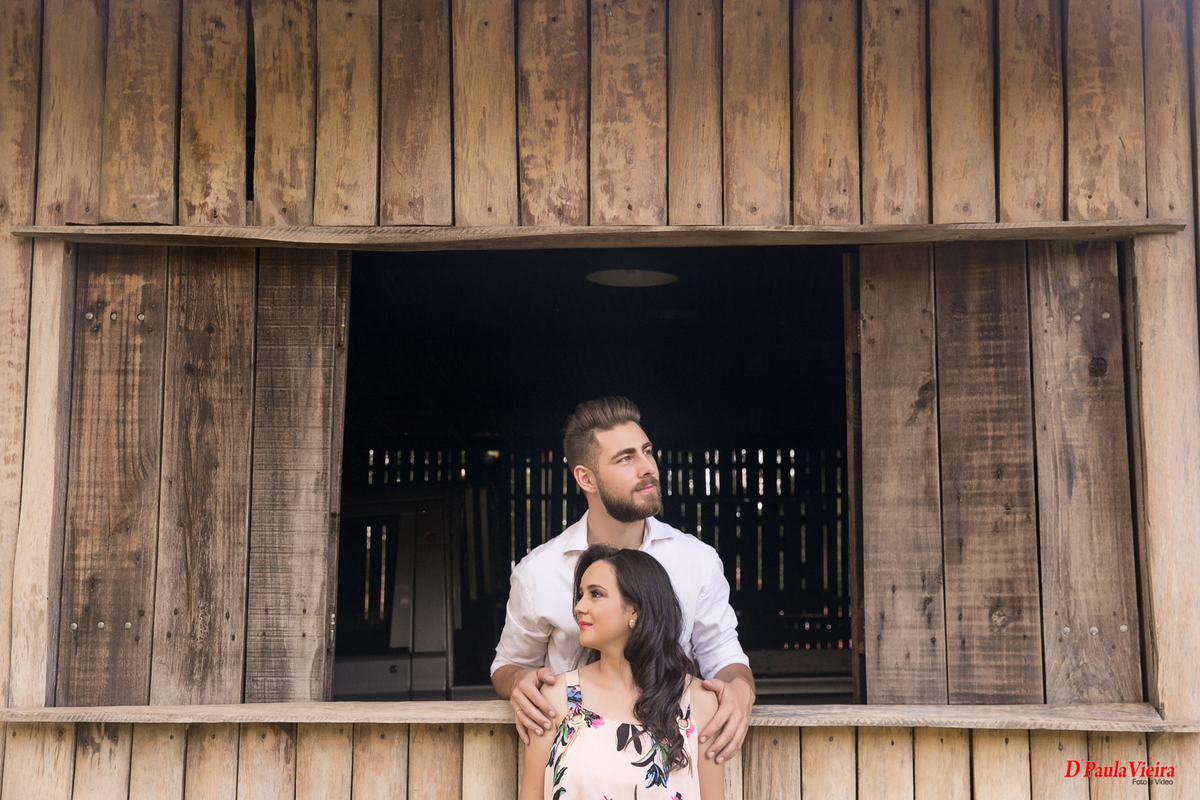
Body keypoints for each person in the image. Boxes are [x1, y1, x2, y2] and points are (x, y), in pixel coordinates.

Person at [492, 397, 755, 764]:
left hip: (673, 763)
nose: (648, 468)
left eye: (648, 452)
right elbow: (506, 666)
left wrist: (741, 689)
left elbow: (726, 661)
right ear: (586, 478)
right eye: (626, 458)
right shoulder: (538, 572)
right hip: (576, 767)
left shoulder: (697, 561)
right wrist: (518, 681)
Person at [517, 545, 723, 800]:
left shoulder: (698, 702)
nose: (579, 606)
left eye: (595, 594)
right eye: (580, 595)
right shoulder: (556, 698)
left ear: (634, 610)